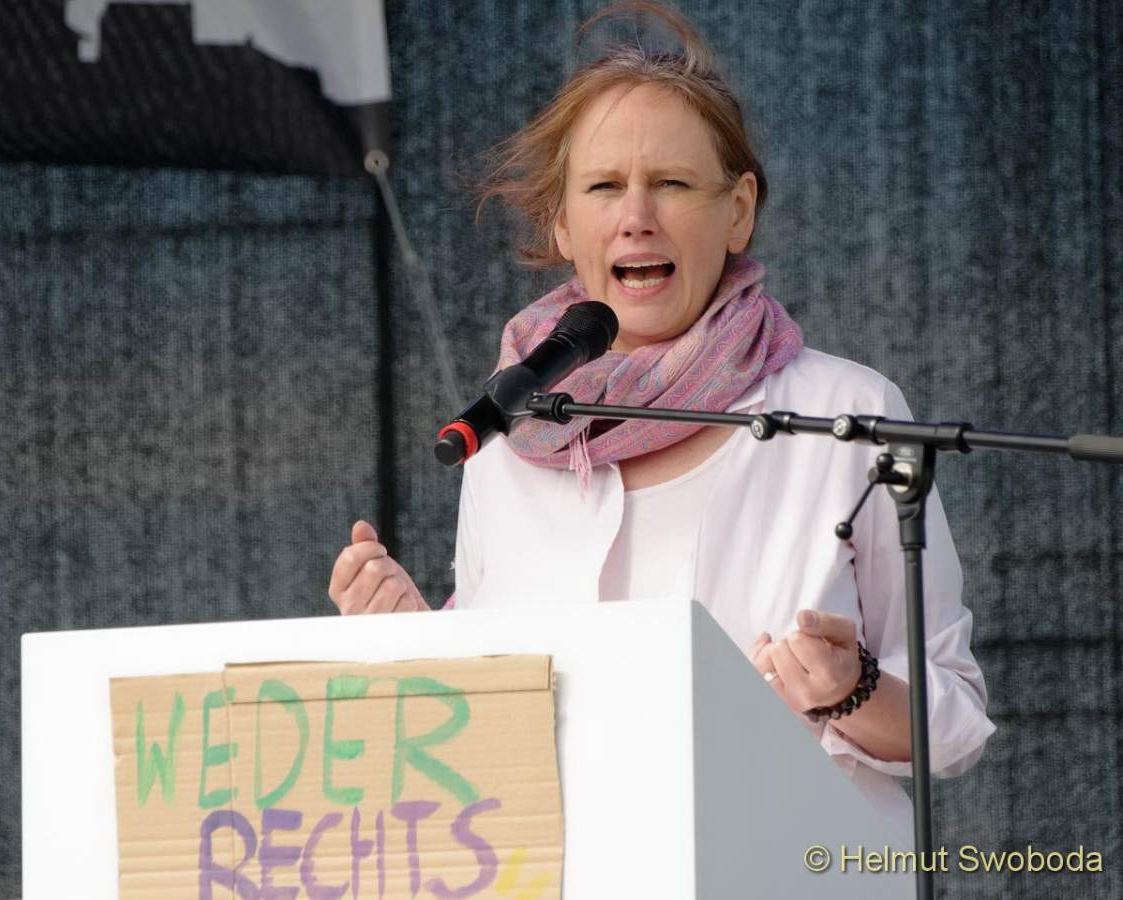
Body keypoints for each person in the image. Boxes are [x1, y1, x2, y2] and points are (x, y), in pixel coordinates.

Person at [327, 0, 993, 835]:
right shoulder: (508, 430)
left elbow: (953, 722)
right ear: (563, 224)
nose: (636, 215)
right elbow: (495, 734)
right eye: (604, 187)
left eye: (672, 184)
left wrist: (848, 689)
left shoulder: (846, 415)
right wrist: (415, 644)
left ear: (738, 210)